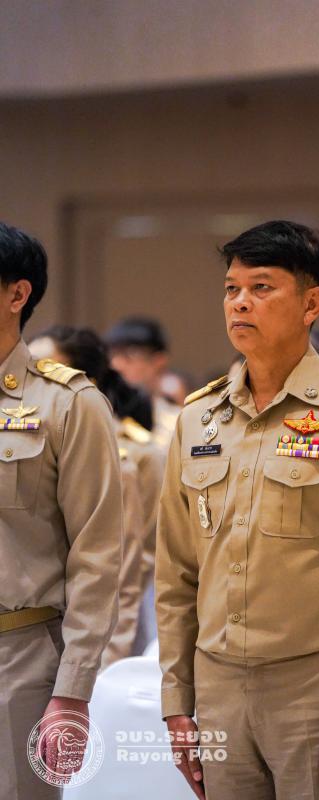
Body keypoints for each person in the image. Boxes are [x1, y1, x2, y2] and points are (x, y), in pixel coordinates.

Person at [156, 220, 319, 800]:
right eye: (231, 289)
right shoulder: (197, 419)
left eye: (262, 287)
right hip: (217, 688)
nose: (239, 302)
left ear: (311, 303)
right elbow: (175, 574)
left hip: (313, 688)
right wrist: (176, 703)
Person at [0, 222, 123, 798]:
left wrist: (72, 691)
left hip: (19, 658)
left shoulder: (68, 404)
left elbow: (97, 556)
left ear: (17, 294)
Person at [29, 325, 165, 662]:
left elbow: (126, 575)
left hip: (93, 637)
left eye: (48, 373)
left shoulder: (126, 461)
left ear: (85, 384)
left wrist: (103, 669)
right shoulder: (23, 451)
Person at [104, 316, 180, 449]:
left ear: (159, 361)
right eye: (113, 354)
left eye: (130, 354)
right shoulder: (102, 415)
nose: (116, 364)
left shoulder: (177, 422)